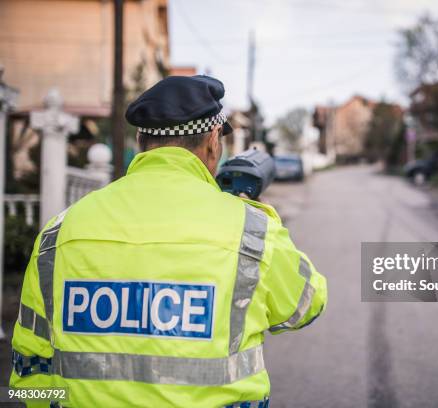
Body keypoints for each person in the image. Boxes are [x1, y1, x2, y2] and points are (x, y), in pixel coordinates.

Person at [10, 75, 327, 407]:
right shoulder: (251, 230)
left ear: (140, 138)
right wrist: (253, 214)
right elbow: (306, 304)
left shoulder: (60, 231)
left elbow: (29, 368)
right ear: (213, 140)